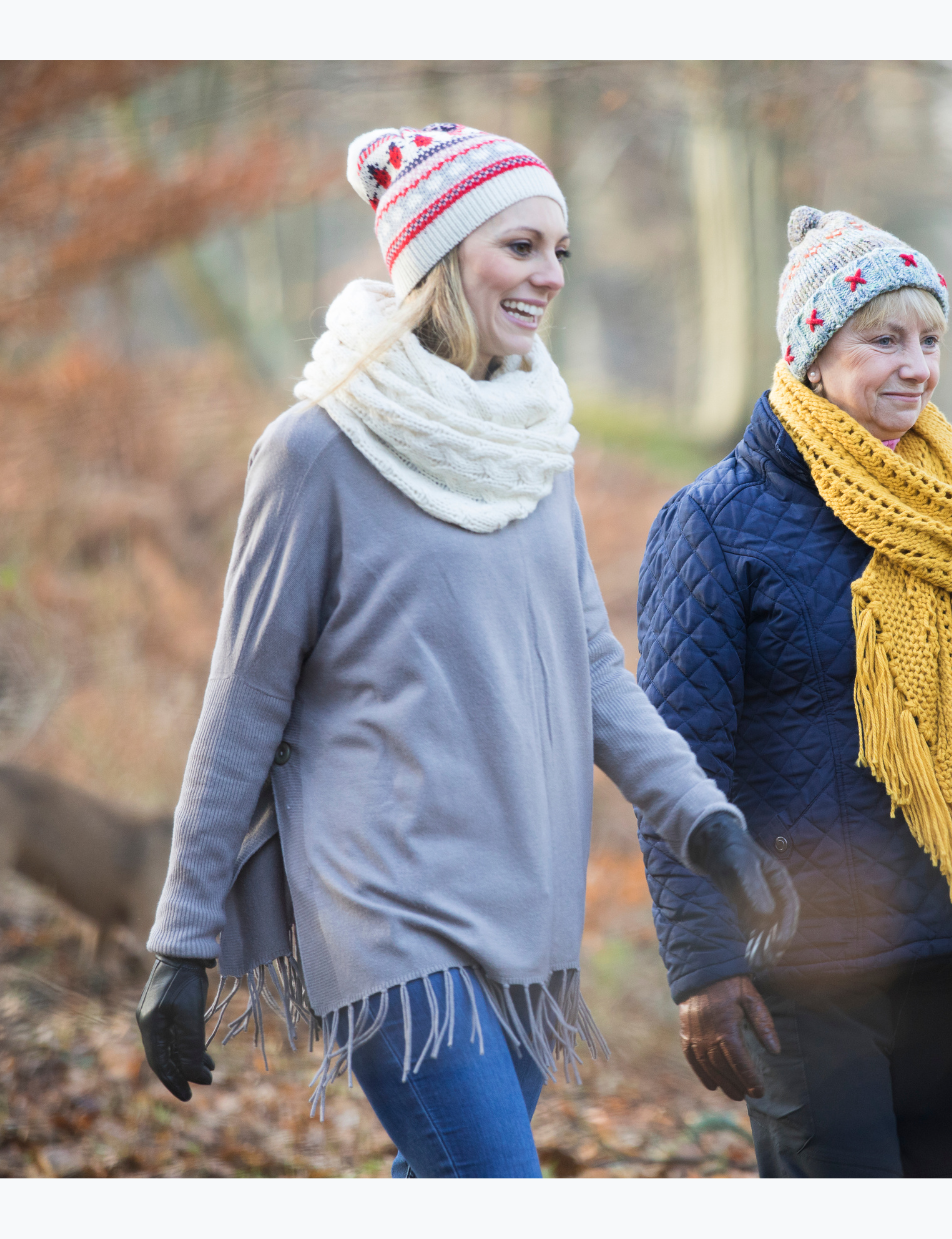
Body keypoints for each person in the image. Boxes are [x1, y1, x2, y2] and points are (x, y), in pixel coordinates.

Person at [134, 123, 797, 1179]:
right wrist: (182, 939)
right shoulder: (315, 449)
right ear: (439, 254)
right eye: (520, 247)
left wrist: (707, 825)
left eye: (558, 252)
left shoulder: (532, 449)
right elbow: (243, 704)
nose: (548, 277)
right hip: (383, 901)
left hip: (526, 899)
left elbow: (592, 671)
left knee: (445, 1178)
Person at [634, 207, 952, 1178]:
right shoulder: (715, 524)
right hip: (803, 965)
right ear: (812, 352)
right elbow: (674, 762)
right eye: (881, 338)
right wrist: (704, 962)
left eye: (928, 339)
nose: (914, 365)